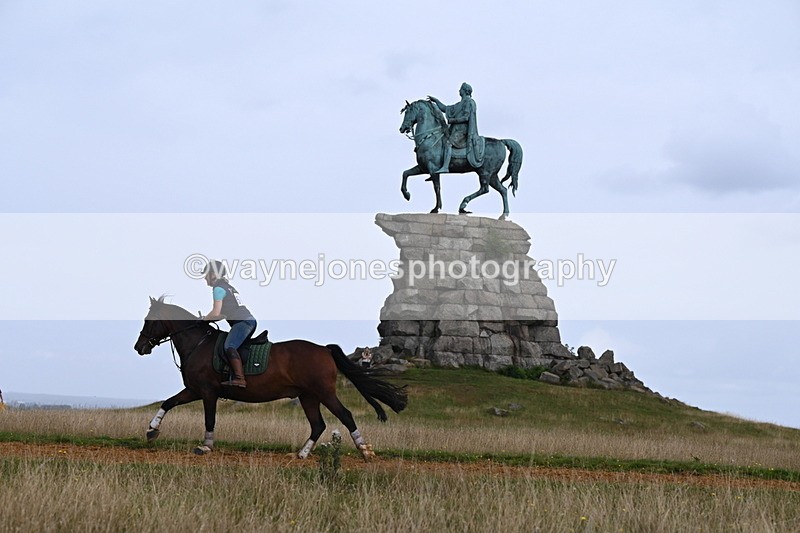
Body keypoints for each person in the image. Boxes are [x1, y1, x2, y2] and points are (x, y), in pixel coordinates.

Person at [201, 260, 256, 388]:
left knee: (229, 346)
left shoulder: (218, 289)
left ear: (213, 274)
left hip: (243, 322)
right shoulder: (229, 287)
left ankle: (240, 379)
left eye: (206, 274)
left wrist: (204, 319)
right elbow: (223, 315)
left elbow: (215, 313)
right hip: (247, 321)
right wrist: (208, 319)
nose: (205, 278)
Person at [427, 82, 485, 172]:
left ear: (465, 91)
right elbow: (445, 108)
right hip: (455, 130)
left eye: (460, 89)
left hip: (463, 131)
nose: (459, 90)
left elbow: (466, 118)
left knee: (448, 143)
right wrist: (436, 101)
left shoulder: (469, 102)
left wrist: (453, 120)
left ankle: (445, 167)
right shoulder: (459, 104)